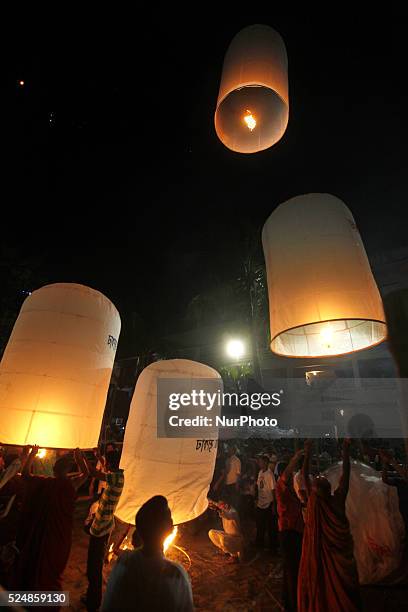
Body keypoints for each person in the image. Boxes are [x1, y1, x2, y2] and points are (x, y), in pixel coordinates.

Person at [13, 445, 89, 597]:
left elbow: (25, 475)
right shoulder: (71, 484)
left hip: (42, 533)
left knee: (36, 562)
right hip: (60, 536)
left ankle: (29, 595)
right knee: (53, 568)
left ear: (54, 469)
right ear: (67, 470)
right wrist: (80, 459)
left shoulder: (45, 483)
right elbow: (86, 474)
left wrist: (31, 454)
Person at [298, 439, 361, 612]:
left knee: (322, 585)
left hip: (320, 557)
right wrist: (346, 450)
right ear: (328, 489)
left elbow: (304, 475)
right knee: (343, 591)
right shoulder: (336, 502)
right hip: (340, 560)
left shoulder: (314, 502)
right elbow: (345, 476)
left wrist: (307, 453)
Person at [101, 495, 193, 612]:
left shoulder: (124, 563)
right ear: (170, 528)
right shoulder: (176, 575)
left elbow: (108, 606)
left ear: (139, 529)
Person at [83, 448, 124, 612]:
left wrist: (81, 458)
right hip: (104, 527)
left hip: (100, 530)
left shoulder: (116, 477)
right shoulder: (118, 475)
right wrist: (98, 456)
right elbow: (106, 469)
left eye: (107, 462)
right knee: (94, 566)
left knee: (94, 567)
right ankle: (91, 596)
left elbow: (94, 473)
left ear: (112, 464)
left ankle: (93, 602)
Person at [275, 449, 304, 612]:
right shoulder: (281, 487)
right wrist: (296, 457)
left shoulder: (292, 491)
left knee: (291, 570)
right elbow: (286, 475)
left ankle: (288, 601)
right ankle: (293, 605)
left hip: (293, 531)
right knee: (292, 571)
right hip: (288, 532)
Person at [255, 455, 277, 551]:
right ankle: (259, 543)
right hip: (261, 502)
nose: (259, 463)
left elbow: (273, 490)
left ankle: (272, 546)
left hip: (268, 502)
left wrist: (274, 505)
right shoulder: (260, 472)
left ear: (265, 463)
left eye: (260, 461)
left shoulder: (269, 474)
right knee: (260, 524)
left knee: (270, 526)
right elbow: (258, 486)